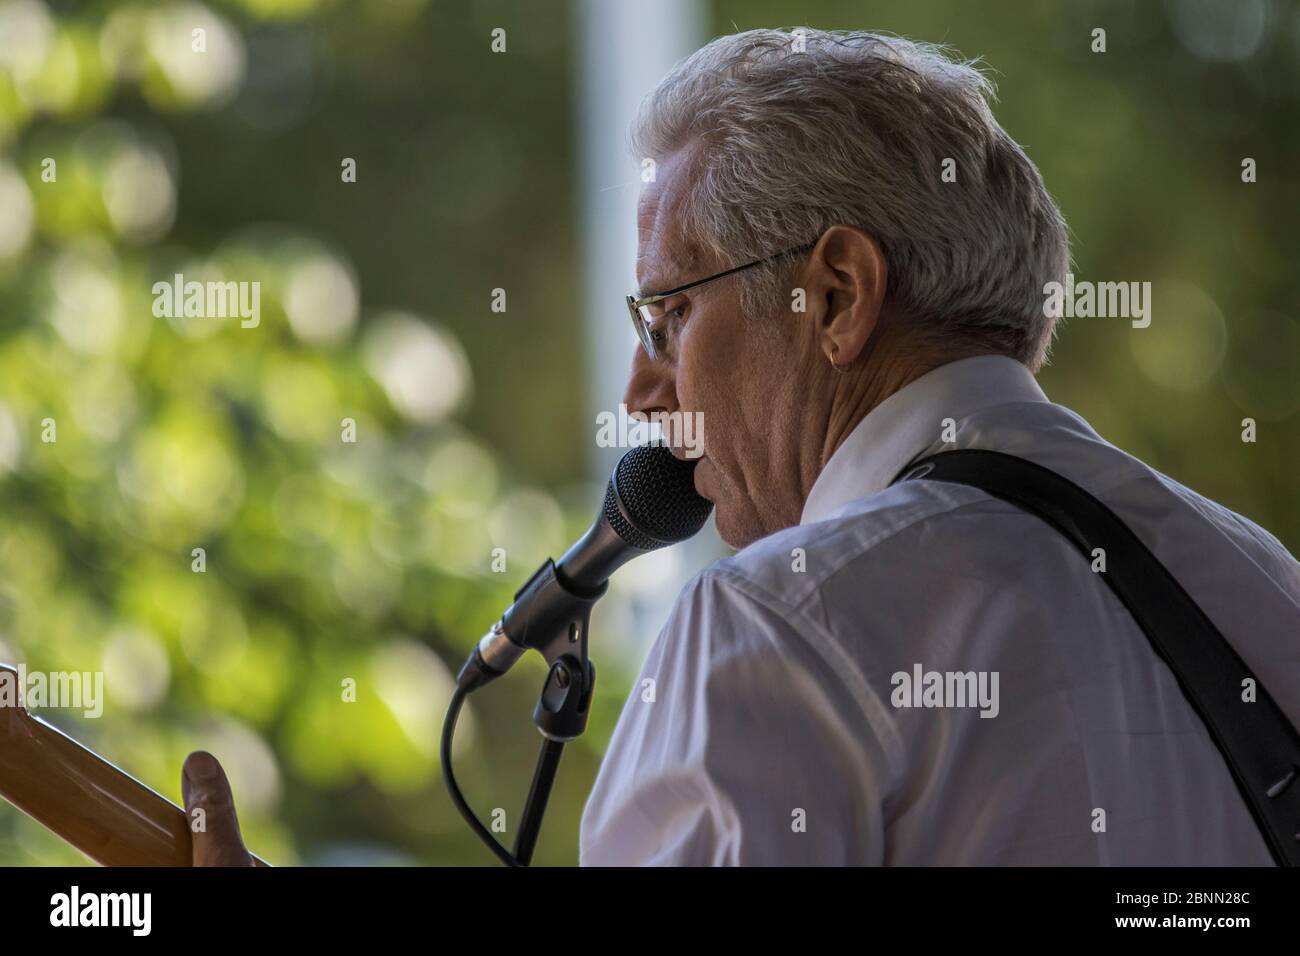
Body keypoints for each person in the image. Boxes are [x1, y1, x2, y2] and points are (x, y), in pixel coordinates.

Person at [183, 28, 1300, 866]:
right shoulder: (1262, 584)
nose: (639, 386)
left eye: (669, 315)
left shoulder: (775, 623)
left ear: (835, 295)